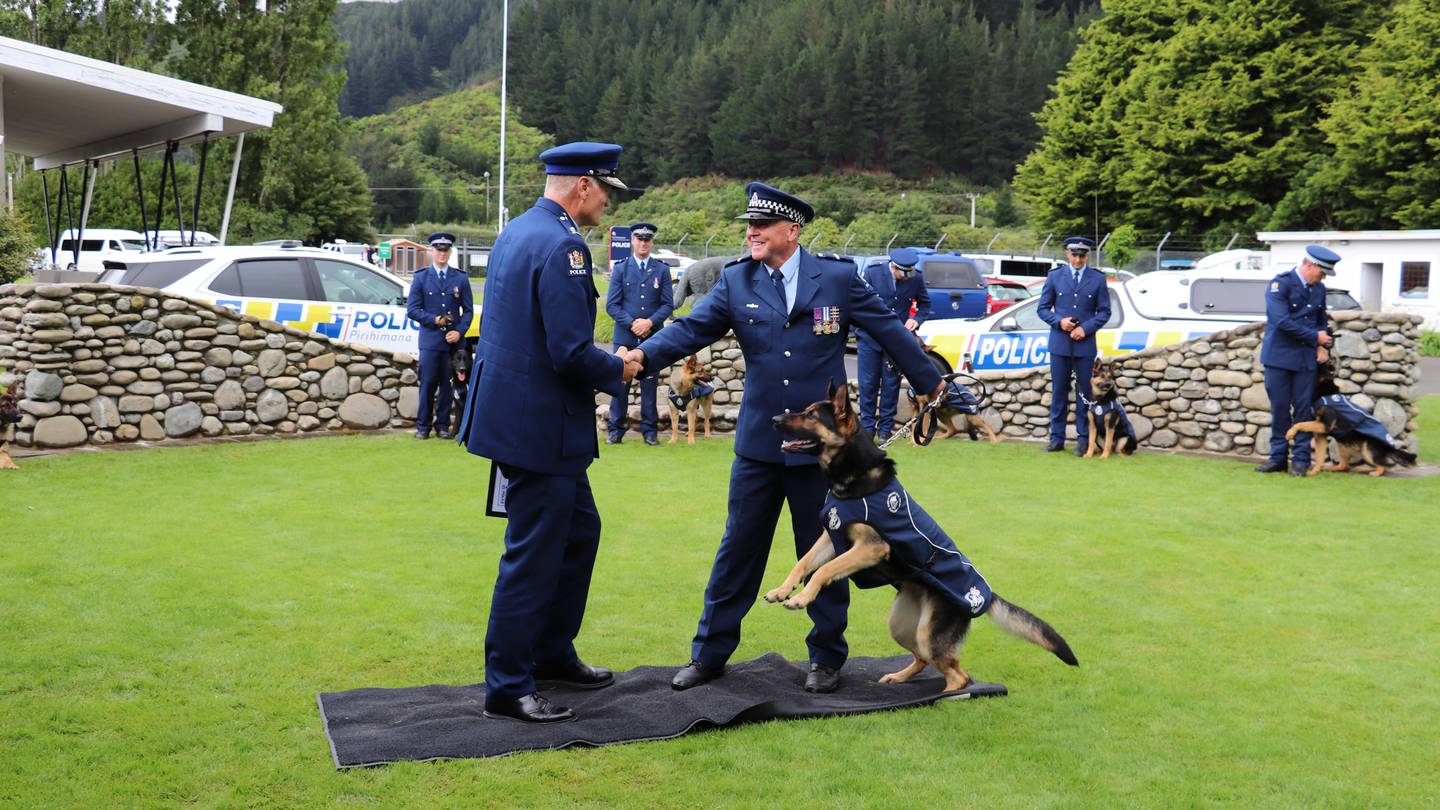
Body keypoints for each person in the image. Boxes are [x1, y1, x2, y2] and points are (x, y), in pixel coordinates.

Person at [626, 183, 943, 694]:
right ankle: (708, 655)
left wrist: (930, 384)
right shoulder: (736, 281)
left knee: (824, 549)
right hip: (758, 447)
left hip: (820, 457)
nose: (750, 233)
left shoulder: (838, 279)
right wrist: (641, 357)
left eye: (761, 226)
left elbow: (887, 330)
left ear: (791, 231)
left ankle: (826, 658)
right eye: (748, 226)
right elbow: (690, 330)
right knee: (737, 552)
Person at [455, 142, 642, 723]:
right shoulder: (564, 246)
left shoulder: (519, 229)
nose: (609, 202)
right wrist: (620, 368)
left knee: (580, 533)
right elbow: (568, 352)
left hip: (521, 420)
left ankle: (552, 653)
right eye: (607, 189)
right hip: (538, 428)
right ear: (583, 185)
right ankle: (509, 686)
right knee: (532, 558)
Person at [1256, 244, 1337, 476]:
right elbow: (1281, 321)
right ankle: (1277, 458)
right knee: (1280, 409)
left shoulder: (1318, 289)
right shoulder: (1280, 284)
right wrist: (1315, 337)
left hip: (1305, 359)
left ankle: (1301, 461)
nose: (1322, 277)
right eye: (1321, 272)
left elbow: (1321, 319)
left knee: (1304, 410)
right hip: (1280, 357)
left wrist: (1323, 346)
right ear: (1310, 265)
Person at [1036, 236, 1111, 455]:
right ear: (1067, 254)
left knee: (1084, 394)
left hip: (1085, 346)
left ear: (1087, 256)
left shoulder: (1097, 279)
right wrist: (1059, 322)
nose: (1078, 259)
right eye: (1074, 255)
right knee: (1059, 392)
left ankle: (1083, 440)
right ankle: (1056, 438)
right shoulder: (1055, 276)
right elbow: (1042, 309)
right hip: (1060, 344)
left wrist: (1085, 328)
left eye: (1082, 255)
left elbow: (1105, 312)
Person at [605, 222, 675, 445]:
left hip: (652, 338)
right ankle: (615, 431)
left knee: (649, 385)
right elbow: (612, 305)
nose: (643, 243)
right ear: (632, 241)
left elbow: (667, 305)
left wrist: (649, 323)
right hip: (625, 337)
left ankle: (650, 431)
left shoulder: (662, 269)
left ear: (651, 242)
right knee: (620, 385)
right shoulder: (621, 268)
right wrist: (633, 324)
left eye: (647, 239)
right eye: (639, 239)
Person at [856, 247, 932, 442]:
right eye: (903, 273)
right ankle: (867, 429)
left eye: (910, 272)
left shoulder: (916, 277)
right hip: (869, 338)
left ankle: (885, 431)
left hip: (896, 340)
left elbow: (925, 304)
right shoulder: (873, 273)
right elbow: (859, 301)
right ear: (893, 267)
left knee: (891, 385)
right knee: (868, 385)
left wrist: (917, 320)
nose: (907, 277)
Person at [406, 232, 474, 439]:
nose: (442, 254)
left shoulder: (460, 278)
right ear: (431, 251)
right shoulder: (421, 277)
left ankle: (443, 425)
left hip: (452, 344)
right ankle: (423, 426)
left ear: (450, 252)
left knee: (447, 385)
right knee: (427, 384)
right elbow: (412, 309)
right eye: (438, 250)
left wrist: (459, 331)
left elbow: (468, 310)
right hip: (430, 341)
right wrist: (435, 320)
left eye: (445, 250)